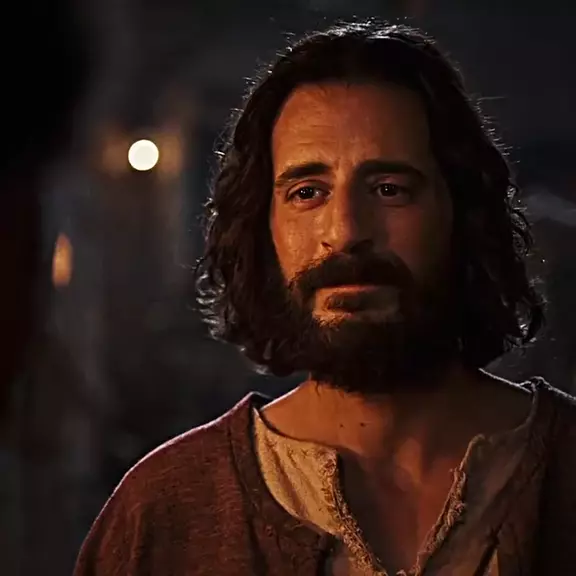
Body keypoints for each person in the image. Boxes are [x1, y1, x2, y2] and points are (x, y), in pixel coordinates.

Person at [74, 21, 576, 575]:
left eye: (389, 189)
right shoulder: (164, 512)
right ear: (265, 227)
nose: (345, 231)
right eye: (307, 192)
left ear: (460, 210)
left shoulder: (563, 469)